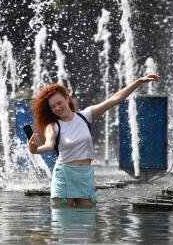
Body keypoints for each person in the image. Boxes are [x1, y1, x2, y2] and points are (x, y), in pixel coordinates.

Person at [27, 74, 160, 208]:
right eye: (52, 106)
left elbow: (114, 99)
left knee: (87, 221)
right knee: (62, 220)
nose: (56, 108)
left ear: (67, 99)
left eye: (59, 103)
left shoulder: (86, 116)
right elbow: (49, 145)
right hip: (64, 175)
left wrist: (138, 82)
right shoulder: (54, 126)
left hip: (85, 175)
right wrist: (35, 149)